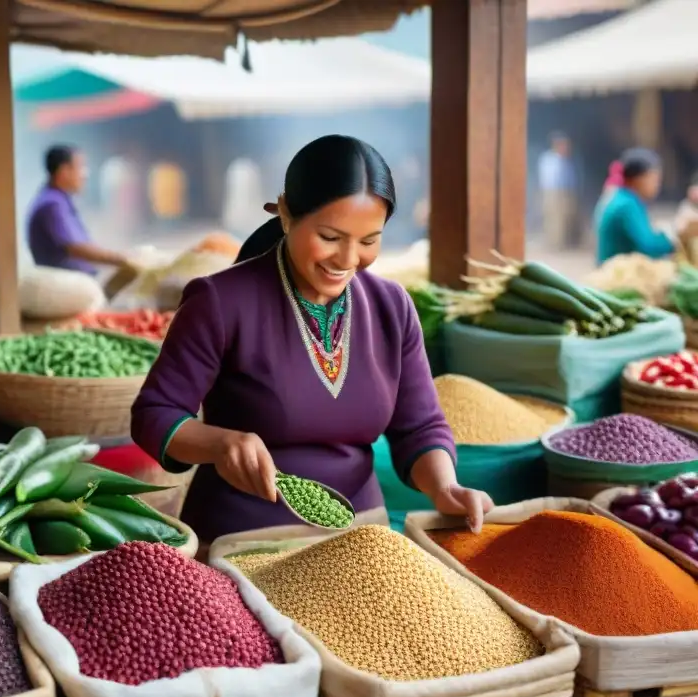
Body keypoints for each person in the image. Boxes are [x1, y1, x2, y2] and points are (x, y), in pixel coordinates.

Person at [130, 134, 492, 550]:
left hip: (359, 540)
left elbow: (421, 427)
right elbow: (153, 413)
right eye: (331, 237)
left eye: (369, 241)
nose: (348, 259)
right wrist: (219, 443)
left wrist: (445, 486)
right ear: (286, 214)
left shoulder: (393, 307)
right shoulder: (220, 301)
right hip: (242, 542)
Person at [26, 145, 131, 275]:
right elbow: (77, 248)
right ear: (64, 171)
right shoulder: (52, 204)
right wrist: (124, 260)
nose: (85, 174)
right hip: (67, 285)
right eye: (81, 167)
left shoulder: (58, 200)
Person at [594, 148, 698, 265]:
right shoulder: (626, 205)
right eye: (654, 179)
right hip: (619, 275)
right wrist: (675, 235)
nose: (657, 186)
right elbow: (648, 247)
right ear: (637, 179)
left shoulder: (621, 197)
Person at [538, 132, 579, 250]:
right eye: (563, 145)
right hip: (553, 192)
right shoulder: (549, 159)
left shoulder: (567, 160)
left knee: (566, 217)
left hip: (566, 192)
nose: (566, 148)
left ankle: (563, 243)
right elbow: (548, 179)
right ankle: (554, 244)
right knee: (554, 217)